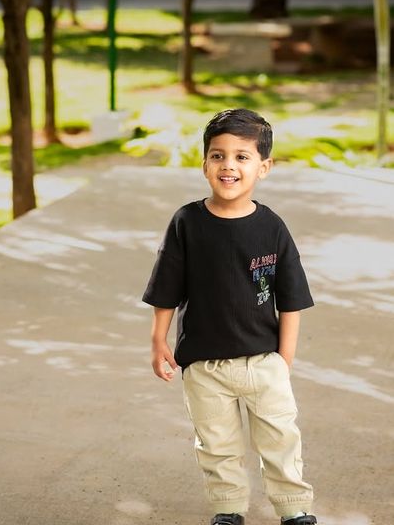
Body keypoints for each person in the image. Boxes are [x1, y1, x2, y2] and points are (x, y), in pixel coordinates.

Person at [142, 109, 317, 525]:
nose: (229, 166)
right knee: (217, 446)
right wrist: (158, 339)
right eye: (218, 156)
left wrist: (283, 361)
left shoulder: (272, 227)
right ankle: (228, 510)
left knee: (280, 441)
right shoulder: (187, 222)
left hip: (263, 363)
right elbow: (167, 286)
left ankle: (294, 512)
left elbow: (291, 299)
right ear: (204, 163)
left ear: (264, 167)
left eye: (242, 157)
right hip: (204, 365)